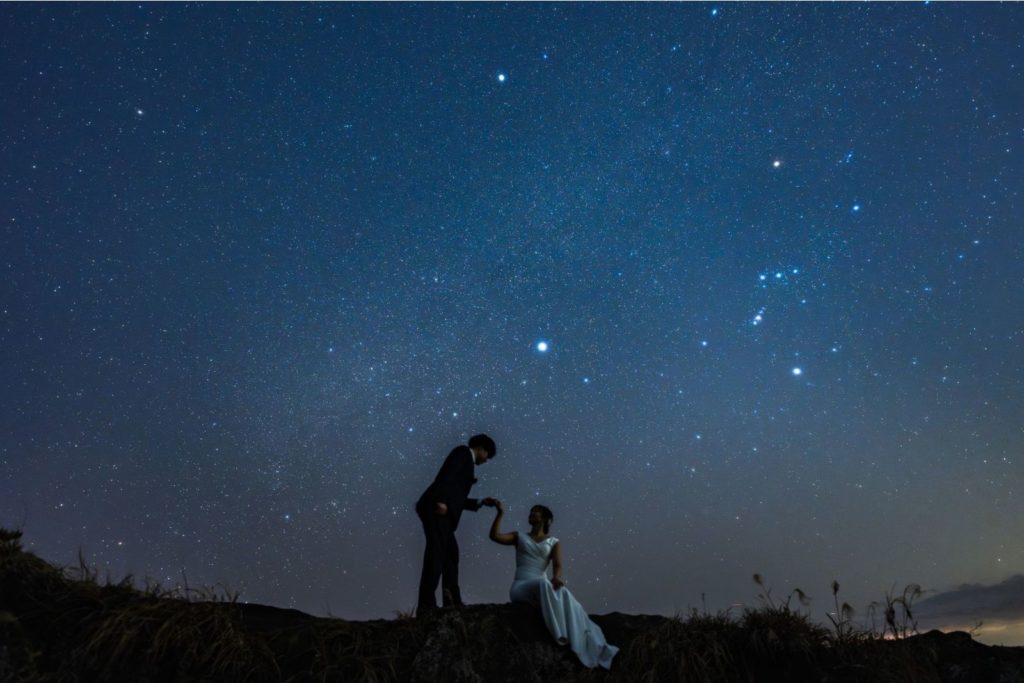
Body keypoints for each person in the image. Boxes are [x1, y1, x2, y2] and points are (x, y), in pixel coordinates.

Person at [489, 501, 619, 669]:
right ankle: (559, 634)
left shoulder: (553, 541)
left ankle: (582, 637)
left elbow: (557, 565)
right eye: (530, 512)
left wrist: (557, 578)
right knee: (543, 584)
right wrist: (499, 514)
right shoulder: (519, 536)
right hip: (521, 586)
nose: (531, 514)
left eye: (535, 512)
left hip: (541, 585)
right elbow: (495, 537)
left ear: (545, 518)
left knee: (563, 592)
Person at [415, 434, 497, 615]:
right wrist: (442, 500)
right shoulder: (462, 453)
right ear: (481, 448)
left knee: (451, 555)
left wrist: (480, 502)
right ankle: (426, 605)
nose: (486, 460)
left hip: (441, 510)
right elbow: (446, 476)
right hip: (436, 509)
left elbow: (457, 495)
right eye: (488, 455)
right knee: (435, 555)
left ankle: (451, 601)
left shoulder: (466, 459)